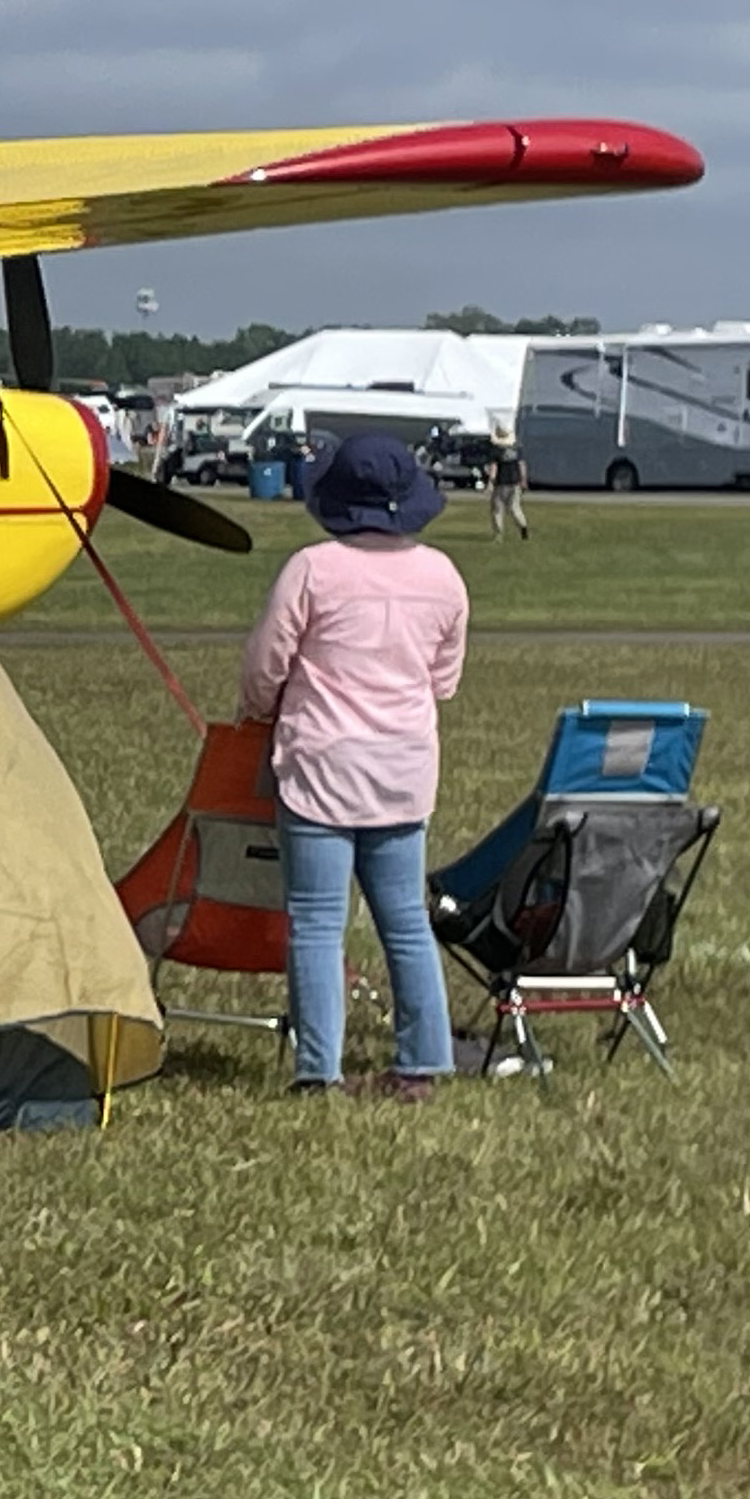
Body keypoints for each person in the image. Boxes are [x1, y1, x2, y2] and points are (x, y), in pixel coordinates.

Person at [239, 431, 467, 1100]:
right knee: (404, 919)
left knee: (315, 919)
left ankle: (319, 1070)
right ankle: (422, 1062)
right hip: (403, 767)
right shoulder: (443, 577)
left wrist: (258, 710)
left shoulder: (313, 569)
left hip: (320, 765)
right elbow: (443, 680)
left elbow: (265, 666)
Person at [486, 420, 530, 539]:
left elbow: (494, 467)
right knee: (515, 507)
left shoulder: (496, 451)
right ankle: (523, 527)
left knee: (498, 509)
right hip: (515, 482)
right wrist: (523, 479)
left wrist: (490, 481)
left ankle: (498, 534)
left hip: (501, 483)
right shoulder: (516, 450)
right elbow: (522, 465)